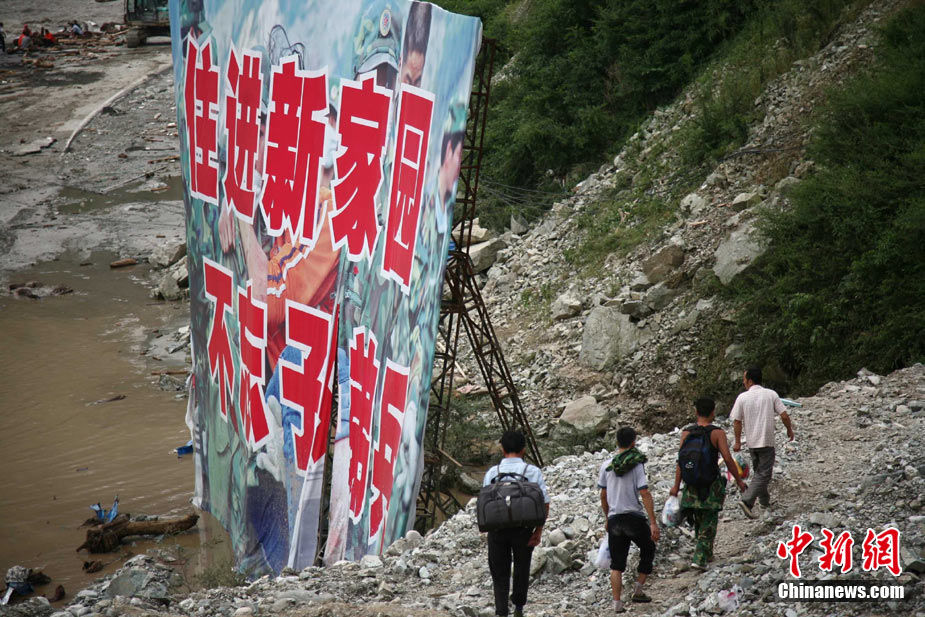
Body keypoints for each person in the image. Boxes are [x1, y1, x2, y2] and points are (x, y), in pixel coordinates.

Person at [669, 397, 747, 570]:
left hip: (691, 486)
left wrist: (676, 486)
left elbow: (680, 461)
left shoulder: (686, 433)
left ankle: (707, 552)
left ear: (696, 412)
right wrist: (739, 481)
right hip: (710, 485)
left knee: (698, 519)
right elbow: (727, 459)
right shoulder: (717, 433)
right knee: (709, 521)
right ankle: (700, 558)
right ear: (713, 412)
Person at [482, 430, 550, 617]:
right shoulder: (532, 472)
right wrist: (538, 530)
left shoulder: (492, 473)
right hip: (524, 528)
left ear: (502, 449)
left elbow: (484, 501)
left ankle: (501, 610)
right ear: (523, 450)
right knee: (522, 567)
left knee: (499, 571)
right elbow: (544, 502)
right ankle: (519, 607)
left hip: (497, 530)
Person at [598, 426, 659, 613]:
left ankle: (616, 603)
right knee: (648, 548)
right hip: (633, 517)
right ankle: (638, 590)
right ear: (633, 442)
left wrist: (607, 517)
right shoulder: (636, 464)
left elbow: (603, 494)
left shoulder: (606, 465)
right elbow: (644, 492)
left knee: (617, 564)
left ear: (617, 442)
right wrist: (653, 522)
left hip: (615, 519)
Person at [730, 367, 795, 518]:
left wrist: (738, 442)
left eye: (744, 379)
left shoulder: (742, 398)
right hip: (766, 441)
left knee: (760, 473)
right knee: (764, 474)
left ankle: (764, 501)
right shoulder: (771, 394)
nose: (743, 382)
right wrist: (789, 430)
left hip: (752, 443)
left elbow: (737, 421)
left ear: (750, 381)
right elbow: (784, 415)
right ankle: (747, 501)